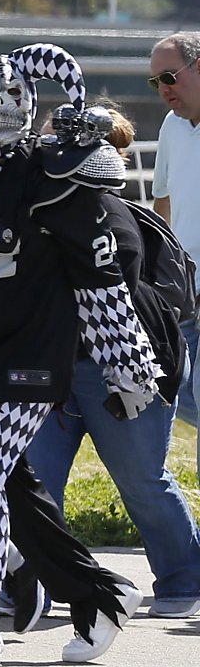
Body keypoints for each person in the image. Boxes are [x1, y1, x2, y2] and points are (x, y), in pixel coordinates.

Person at [0, 45, 160, 667]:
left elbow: (99, 277)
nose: (3, 109)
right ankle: (97, 593)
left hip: (29, 357)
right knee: (0, 482)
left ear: (36, 103)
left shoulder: (54, 175)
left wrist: (128, 363)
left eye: (16, 98)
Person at [24, 106, 200, 620]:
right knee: (35, 479)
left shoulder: (108, 213)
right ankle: (35, 582)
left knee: (141, 478)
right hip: (55, 367)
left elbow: (105, 290)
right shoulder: (39, 209)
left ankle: (184, 578)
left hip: (122, 369)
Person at [148, 31, 200, 481]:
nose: (163, 89)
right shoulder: (170, 126)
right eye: (155, 82)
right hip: (184, 297)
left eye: (169, 77)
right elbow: (161, 205)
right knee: (177, 392)